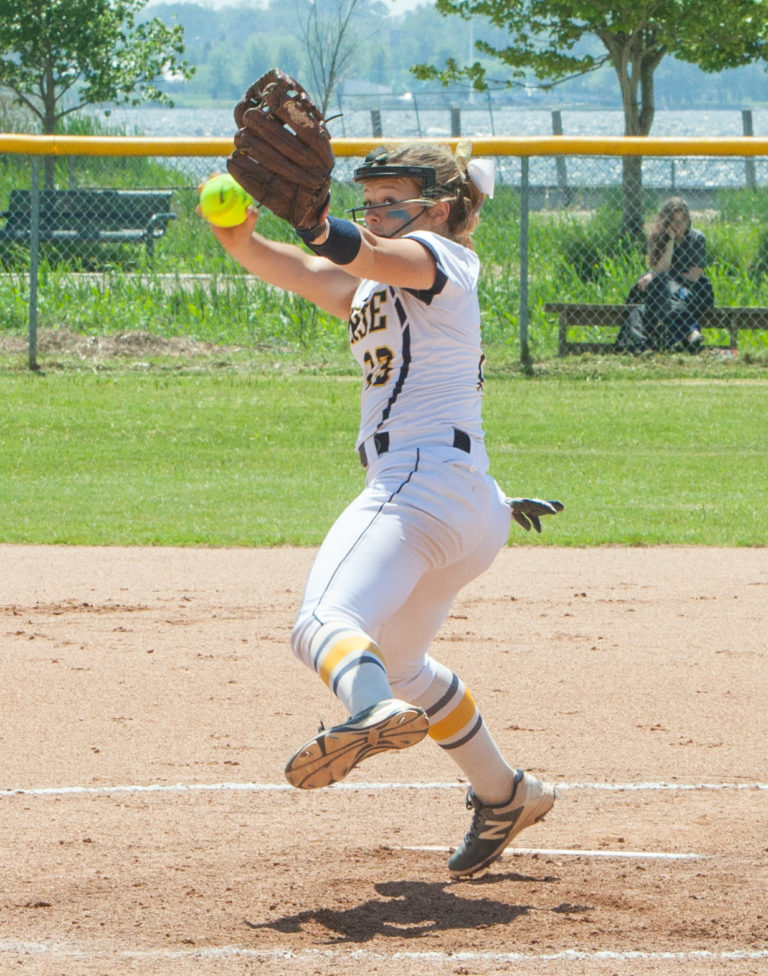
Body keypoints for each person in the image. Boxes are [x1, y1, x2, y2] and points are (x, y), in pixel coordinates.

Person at [202, 142, 558, 879]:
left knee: (322, 623)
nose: (377, 211)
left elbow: (350, 247)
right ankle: (505, 794)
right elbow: (310, 271)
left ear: (441, 206)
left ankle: (366, 710)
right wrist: (240, 238)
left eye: (392, 198)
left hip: (416, 486)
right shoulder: (376, 284)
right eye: (370, 200)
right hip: (464, 500)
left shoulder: (440, 256)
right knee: (403, 664)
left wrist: (321, 224)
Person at [619, 196, 714, 352]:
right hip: (664, 289)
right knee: (655, 291)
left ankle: (664, 341)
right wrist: (669, 242)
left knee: (664, 287)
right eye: (674, 221)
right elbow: (661, 270)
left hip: (692, 289)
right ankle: (690, 331)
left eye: (683, 220)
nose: (679, 225)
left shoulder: (697, 238)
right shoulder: (659, 237)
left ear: (688, 220)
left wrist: (658, 276)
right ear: (666, 222)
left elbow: (693, 276)